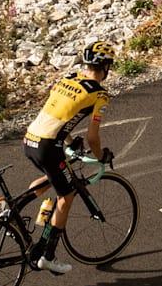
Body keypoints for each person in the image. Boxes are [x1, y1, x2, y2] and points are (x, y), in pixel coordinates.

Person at [22, 39, 115, 273]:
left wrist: (71, 141)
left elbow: (59, 115)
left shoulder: (67, 79)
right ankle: (49, 256)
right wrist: (101, 156)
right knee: (67, 195)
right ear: (105, 67)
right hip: (48, 146)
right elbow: (93, 138)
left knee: (48, 179)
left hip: (30, 139)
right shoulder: (100, 95)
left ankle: (13, 212)